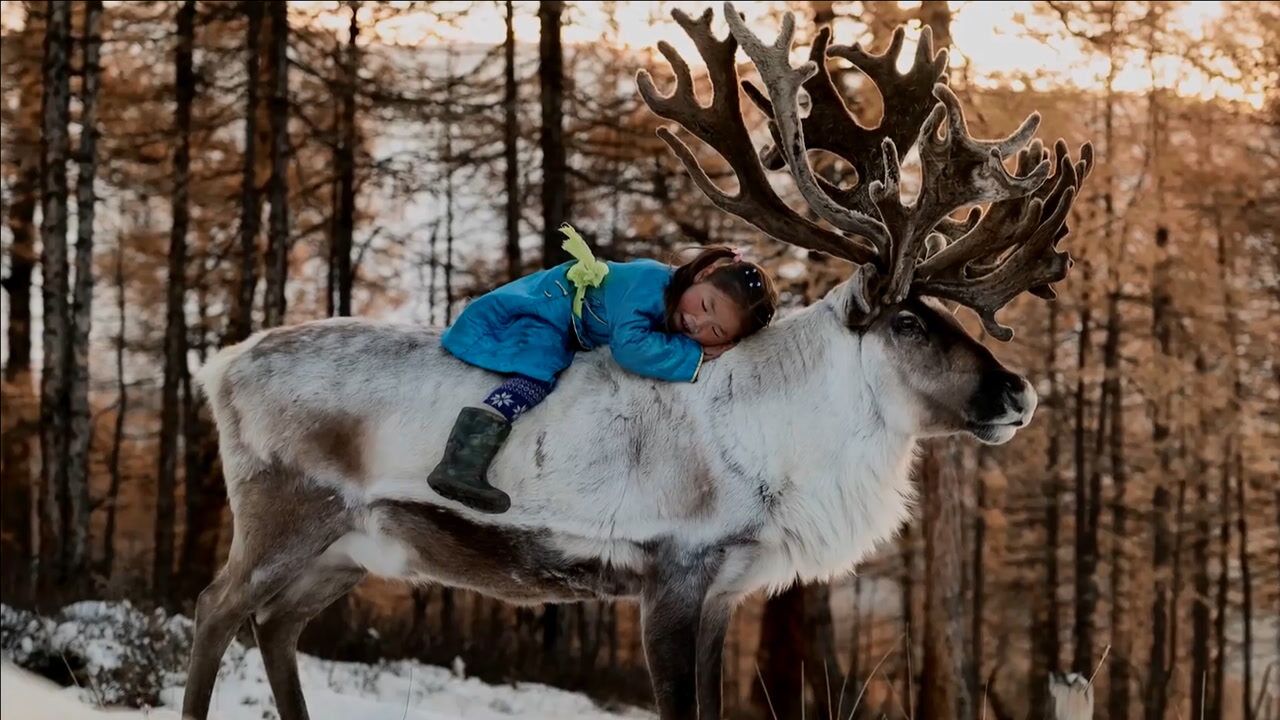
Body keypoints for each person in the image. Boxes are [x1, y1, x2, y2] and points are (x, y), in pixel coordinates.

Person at [429, 224, 779, 514]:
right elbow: (630, 348)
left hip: (571, 323)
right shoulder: (650, 284)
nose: (697, 322)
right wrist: (696, 356)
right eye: (705, 304)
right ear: (704, 274)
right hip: (552, 307)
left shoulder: (678, 303)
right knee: (538, 372)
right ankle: (461, 462)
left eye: (715, 331)